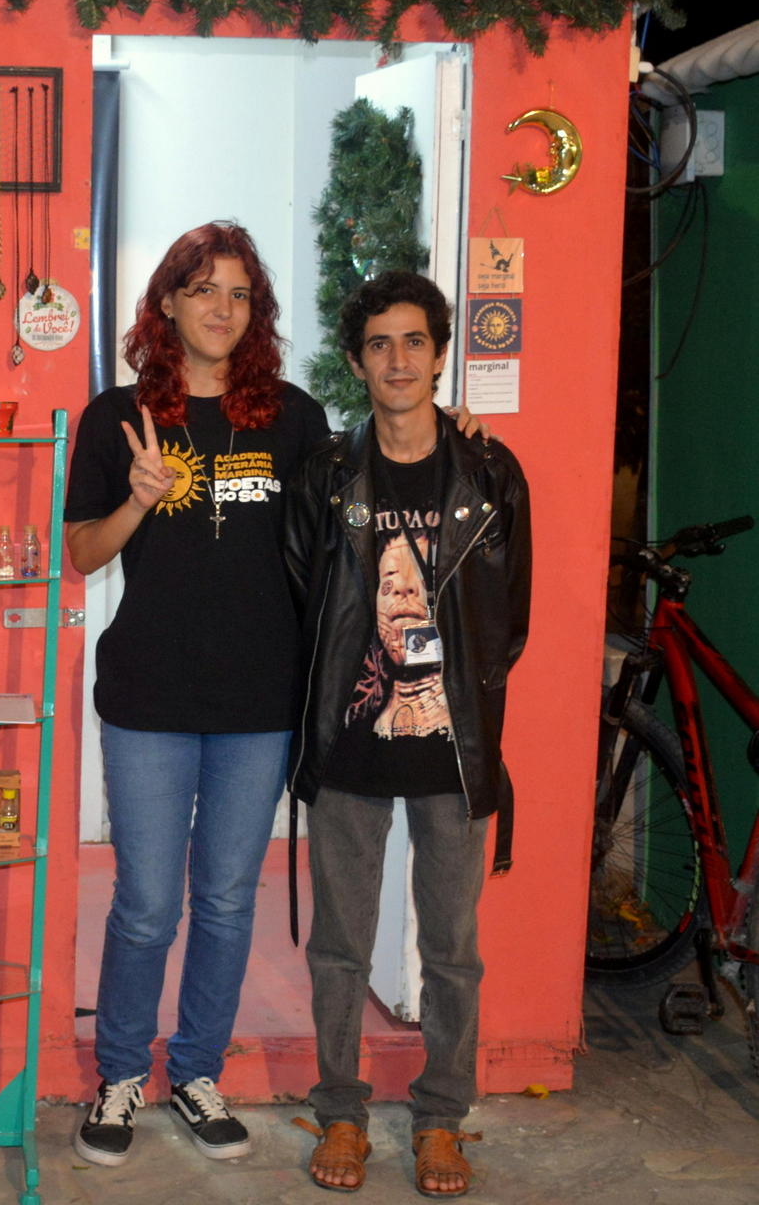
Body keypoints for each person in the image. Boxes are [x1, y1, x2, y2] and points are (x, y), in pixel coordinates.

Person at [63, 221, 329, 1166]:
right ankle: (120, 1076)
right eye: (203, 288)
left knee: (224, 901)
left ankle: (197, 1072)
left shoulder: (293, 420)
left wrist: (451, 430)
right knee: (145, 903)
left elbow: (350, 516)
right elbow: (79, 554)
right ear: (167, 303)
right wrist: (138, 498)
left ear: (256, 311)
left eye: (239, 293)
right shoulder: (117, 416)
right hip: (148, 697)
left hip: (259, 701)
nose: (222, 307)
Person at [284, 271, 530, 1198]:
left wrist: (460, 698)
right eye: (378, 344)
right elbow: (302, 600)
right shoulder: (326, 476)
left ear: (438, 354)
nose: (397, 360)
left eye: (413, 341)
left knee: (452, 951)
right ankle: (340, 1113)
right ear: (356, 363)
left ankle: (440, 1121)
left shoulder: (490, 474)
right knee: (339, 946)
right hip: (348, 743)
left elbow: (509, 618)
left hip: (453, 752)